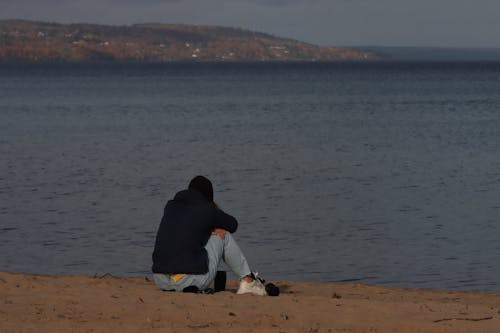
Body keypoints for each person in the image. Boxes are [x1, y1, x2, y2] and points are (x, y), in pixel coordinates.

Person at [152, 175, 267, 295]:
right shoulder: (207, 209)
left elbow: (187, 231)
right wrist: (213, 210)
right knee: (223, 235)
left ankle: (248, 281)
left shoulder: (170, 206)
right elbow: (233, 225)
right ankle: (248, 281)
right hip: (190, 282)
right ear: (208, 197)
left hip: (161, 280)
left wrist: (207, 229)